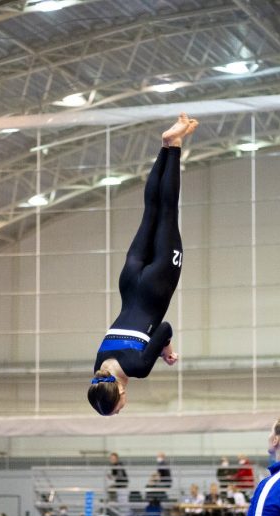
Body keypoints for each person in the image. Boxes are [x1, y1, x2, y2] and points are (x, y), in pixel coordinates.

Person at [87, 113, 198, 415]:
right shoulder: (99, 364)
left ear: (120, 391)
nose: (123, 407)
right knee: (150, 210)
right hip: (129, 281)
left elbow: (163, 327)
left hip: (157, 285)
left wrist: (167, 351)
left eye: (119, 406)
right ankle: (166, 146)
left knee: (168, 211)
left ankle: (173, 146)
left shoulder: (137, 368)